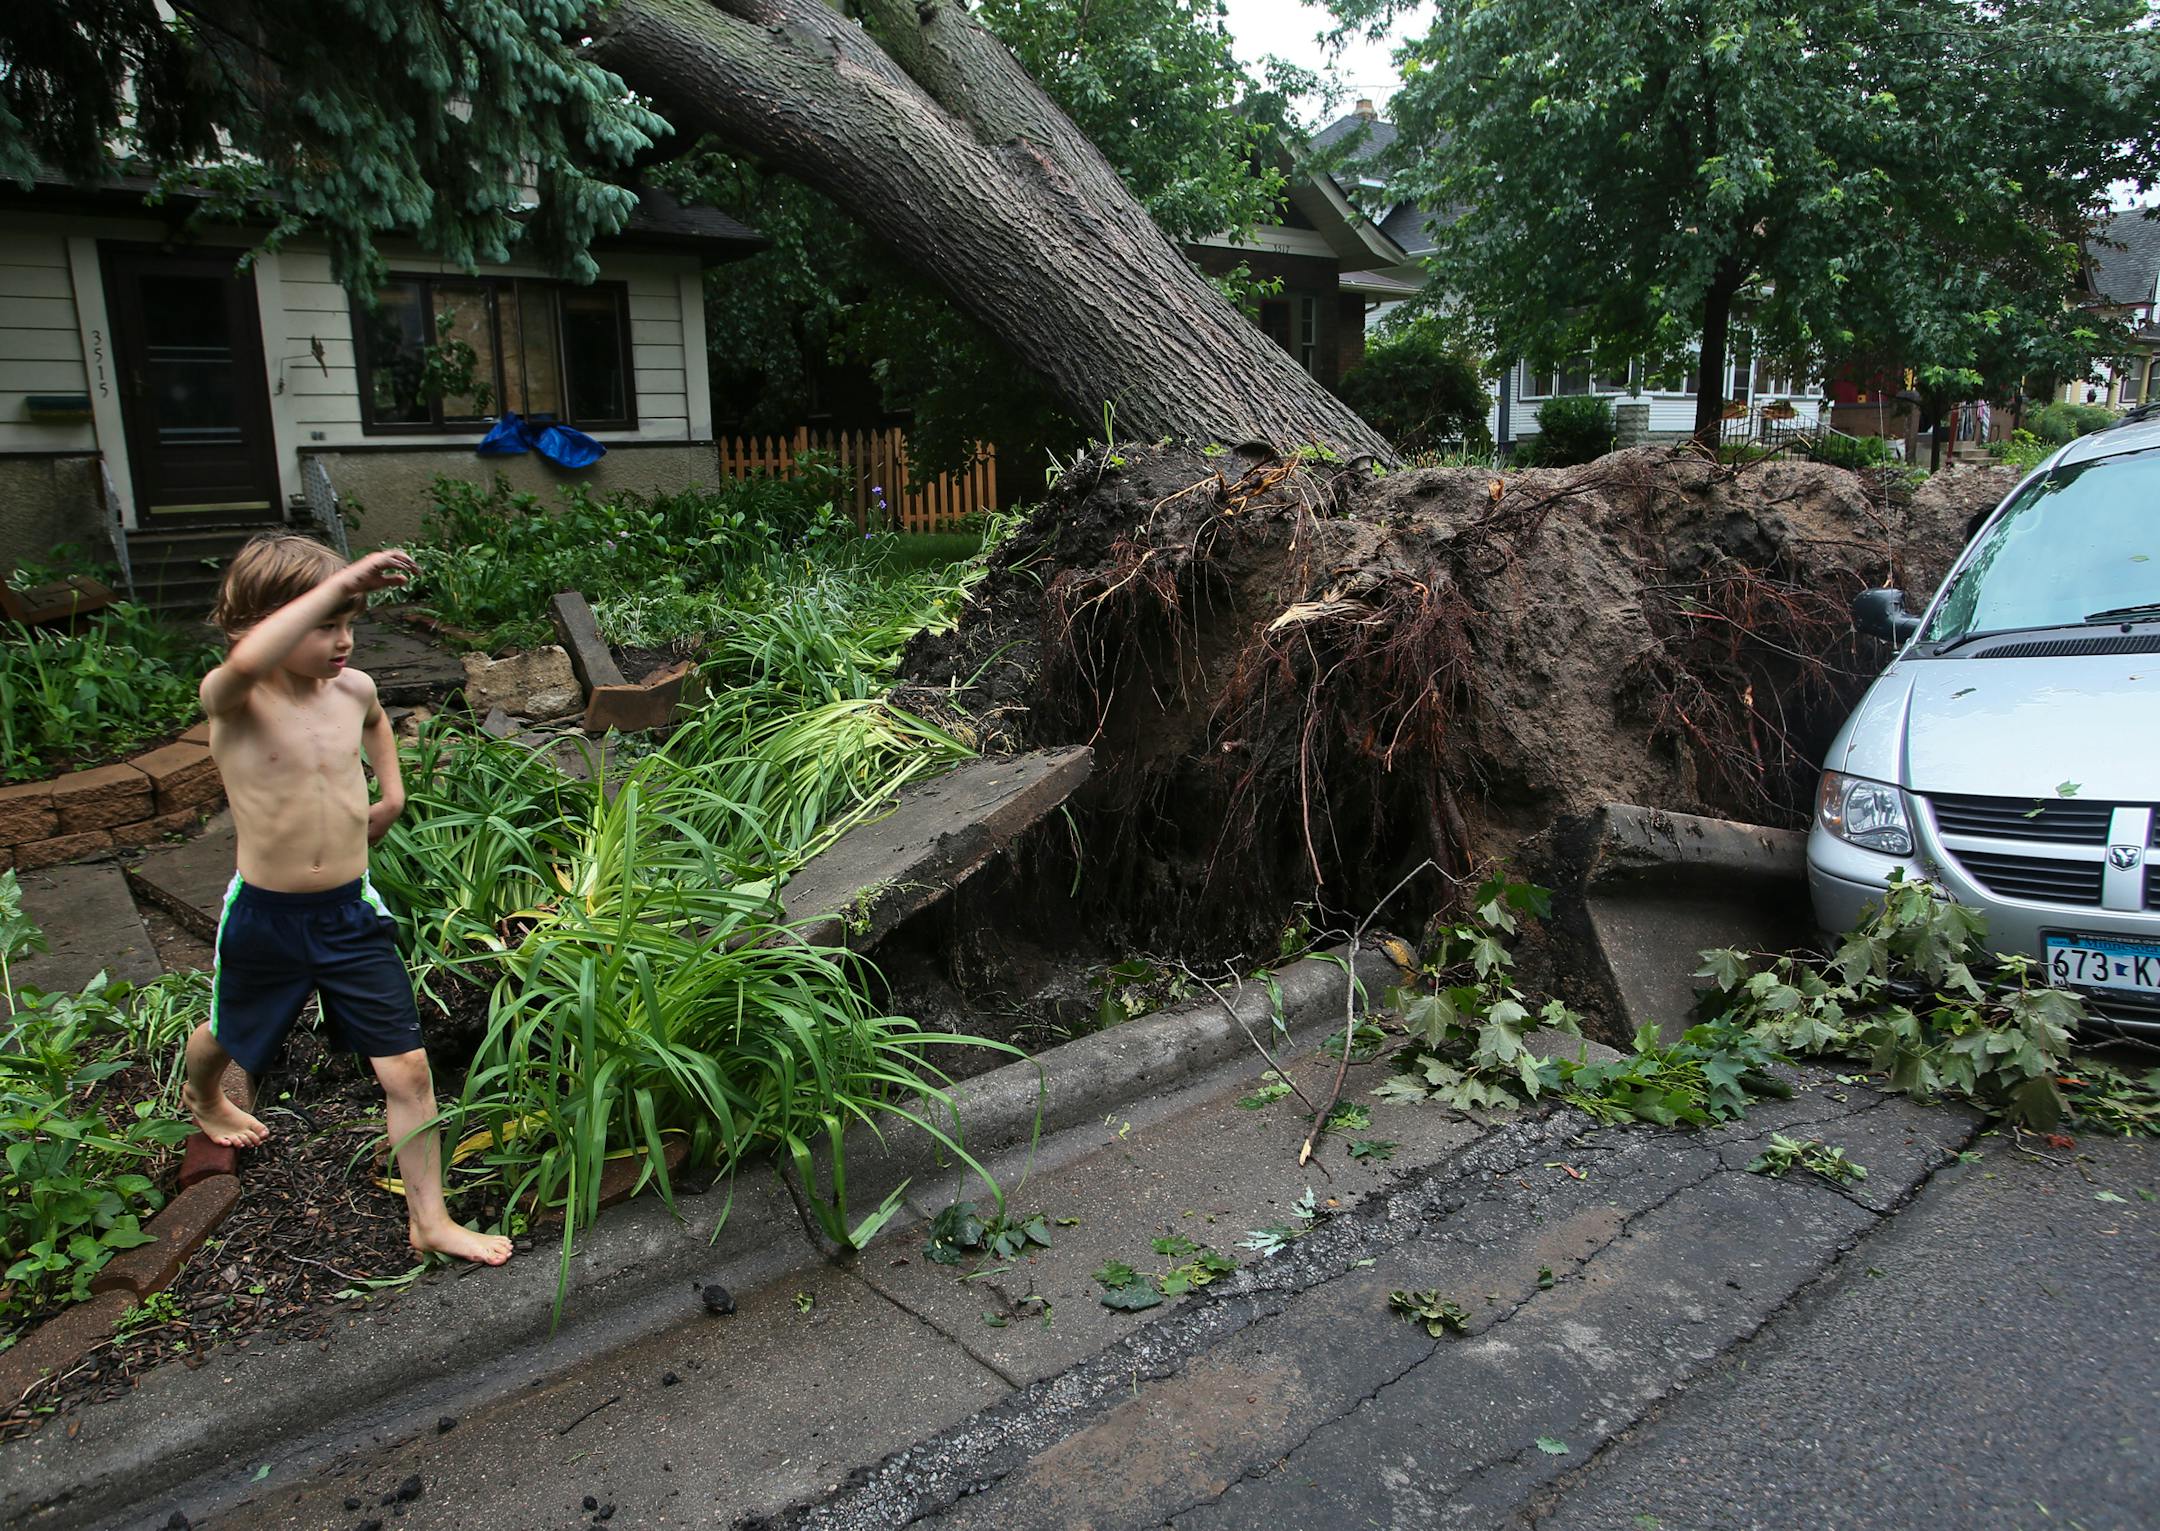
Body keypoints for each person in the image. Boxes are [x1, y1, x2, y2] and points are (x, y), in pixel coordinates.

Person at [180, 533, 511, 1266]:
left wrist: (391, 790)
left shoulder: (352, 689)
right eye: (325, 621)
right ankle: (203, 1094)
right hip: (267, 916)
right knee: (229, 1033)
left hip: (349, 915)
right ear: (260, 624)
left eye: (351, 620)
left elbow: (374, 722)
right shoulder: (233, 700)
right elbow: (244, 664)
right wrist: (338, 584)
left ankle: (429, 1218)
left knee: (408, 1069)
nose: (344, 638)